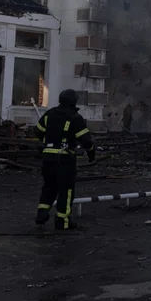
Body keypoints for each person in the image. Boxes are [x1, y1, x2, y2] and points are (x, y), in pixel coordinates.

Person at [34, 89, 95, 230]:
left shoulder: (50, 113)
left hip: (48, 157)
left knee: (49, 186)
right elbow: (86, 141)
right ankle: (63, 221)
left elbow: (38, 131)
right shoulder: (75, 117)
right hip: (65, 159)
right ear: (74, 101)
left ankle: (42, 213)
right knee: (66, 190)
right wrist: (91, 154)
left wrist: (48, 142)